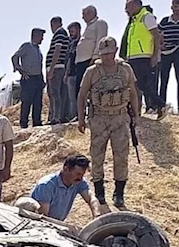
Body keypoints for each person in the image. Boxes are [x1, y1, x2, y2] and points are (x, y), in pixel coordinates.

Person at [78, 36, 139, 210]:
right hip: (99, 119)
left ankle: (119, 193)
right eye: (103, 54)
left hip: (120, 117)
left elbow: (133, 93)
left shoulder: (125, 69)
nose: (106, 57)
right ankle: (99, 192)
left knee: (121, 156)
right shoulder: (92, 72)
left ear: (115, 51)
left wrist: (136, 114)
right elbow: (82, 95)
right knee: (97, 156)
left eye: (109, 53)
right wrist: (81, 118)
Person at [122, 0, 165, 119]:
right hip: (132, 57)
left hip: (144, 57)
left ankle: (161, 105)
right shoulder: (134, 20)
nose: (126, 10)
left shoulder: (147, 17)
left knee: (144, 85)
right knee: (134, 86)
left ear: (135, 5)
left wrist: (155, 55)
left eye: (128, 7)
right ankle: (136, 112)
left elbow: (156, 36)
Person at [30, 155, 104, 220]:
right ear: (66, 169)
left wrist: (97, 216)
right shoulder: (46, 186)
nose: (80, 178)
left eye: (82, 174)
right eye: (78, 174)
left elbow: (91, 198)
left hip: (56, 224)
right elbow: (43, 217)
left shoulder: (78, 182)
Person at [12, 28, 46, 128]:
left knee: (38, 102)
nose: (42, 38)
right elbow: (15, 57)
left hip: (38, 78)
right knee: (27, 101)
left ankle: (37, 123)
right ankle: (24, 123)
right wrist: (19, 69)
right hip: (28, 78)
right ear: (35, 35)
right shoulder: (27, 46)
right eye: (41, 36)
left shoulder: (38, 49)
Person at [76, 5, 110, 100]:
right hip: (81, 62)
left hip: (89, 61)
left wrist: (95, 58)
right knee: (80, 91)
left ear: (90, 13)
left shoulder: (100, 23)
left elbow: (100, 40)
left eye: (84, 14)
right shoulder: (89, 27)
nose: (82, 17)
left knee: (90, 89)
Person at [46, 17, 71, 125]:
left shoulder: (59, 33)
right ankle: (60, 116)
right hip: (60, 67)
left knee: (55, 93)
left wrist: (51, 68)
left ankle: (55, 117)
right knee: (61, 93)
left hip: (56, 67)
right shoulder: (64, 34)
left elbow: (57, 50)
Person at [65, 22, 82, 121]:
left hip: (80, 72)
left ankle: (80, 116)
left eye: (72, 31)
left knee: (80, 96)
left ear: (78, 30)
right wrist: (66, 74)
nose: (70, 34)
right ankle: (74, 116)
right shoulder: (71, 44)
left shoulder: (82, 42)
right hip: (71, 74)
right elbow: (69, 59)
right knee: (72, 98)